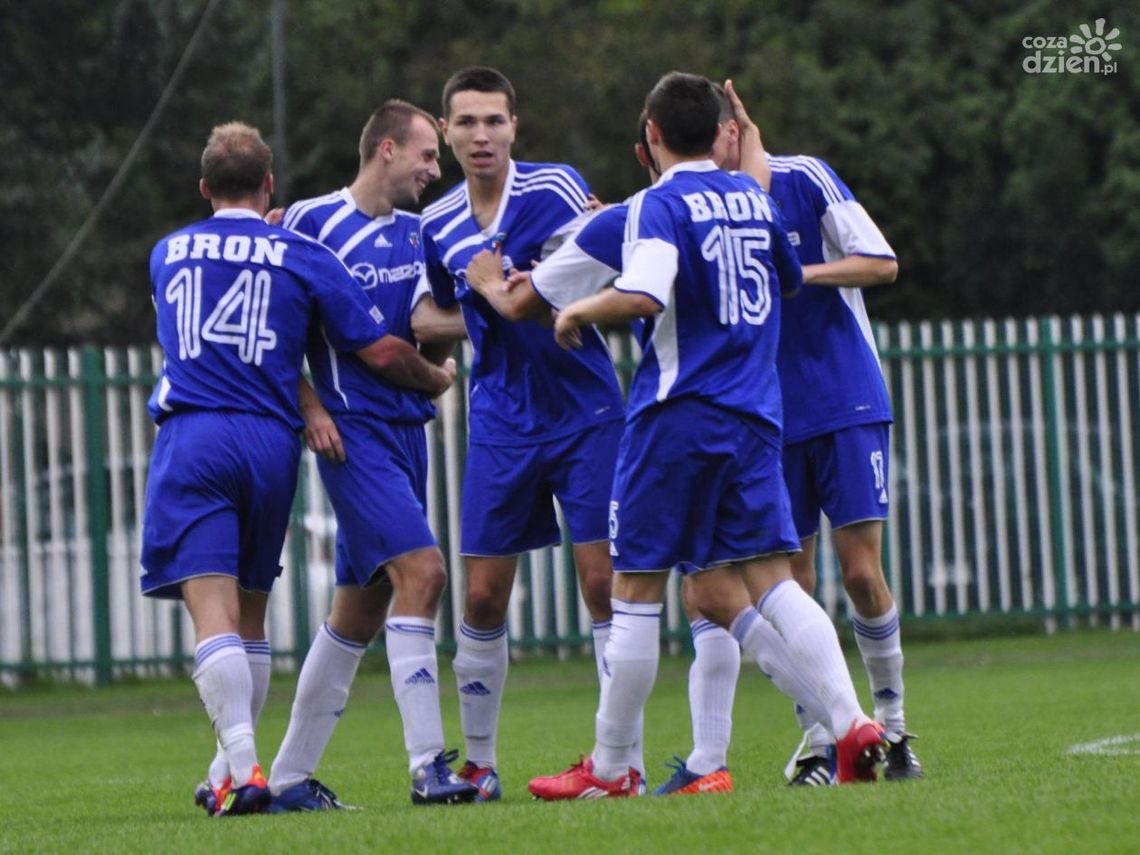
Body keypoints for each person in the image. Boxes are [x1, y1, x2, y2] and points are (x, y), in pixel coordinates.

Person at [525, 71, 885, 801]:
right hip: (756, 415)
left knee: (634, 588)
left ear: (651, 137)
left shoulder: (657, 204)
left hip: (677, 415)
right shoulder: (753, 199)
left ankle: (610, 764)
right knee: (772, 581)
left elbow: (648, 289)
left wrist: (579, 312)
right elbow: (787, 278)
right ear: (715, 130)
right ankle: (852, 724)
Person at [141, 122, 455, 817]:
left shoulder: (167, 252)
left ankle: (246, 771)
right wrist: (436, 378)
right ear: (269, 185)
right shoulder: (298, 251)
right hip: (270, 440)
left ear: (203, 187)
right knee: (250, 612)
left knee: (213, 609)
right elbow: (374, 346)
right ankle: (241, 770)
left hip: (195, 432)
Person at [254, 99, 478, 811]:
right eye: (426, 155)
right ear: (385, 149)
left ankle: (287, 777)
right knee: (426, 572)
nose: (433, 170)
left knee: (359, 609)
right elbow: (269, 330)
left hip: (407, 431)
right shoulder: (309, 223)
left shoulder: (422, 231)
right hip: (354, 435)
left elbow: (438, 314)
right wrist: (310, 405)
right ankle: (425, 768)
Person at [418, 66, 628, 800]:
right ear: (445, 132)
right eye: (467, 122)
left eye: (495, 121)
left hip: (585, 409)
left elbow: (599, 276)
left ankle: (616, 759)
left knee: (604, 583)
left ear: (516, 128)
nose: (482, 135)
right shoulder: (435, 223)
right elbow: (436, 315)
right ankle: (479, 763)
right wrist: (436, 361)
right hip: (502, 419)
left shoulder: (558, 190)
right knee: (480, 596)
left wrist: (501, 292)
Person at [768, 147, 919, 784]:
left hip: (845, 398)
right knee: (790, 587)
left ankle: (894, 725)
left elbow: (881, 262)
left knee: (861, 571)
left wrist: (802, 273)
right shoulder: (697, 205)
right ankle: (822, 739)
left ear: (736, 125)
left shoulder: (803, 176)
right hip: (767, 414)